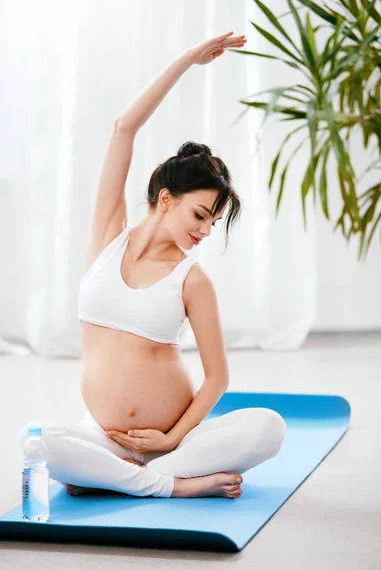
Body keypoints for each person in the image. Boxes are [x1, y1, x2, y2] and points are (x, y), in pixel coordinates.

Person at [19, 31, 287, 499]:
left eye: (213, 222)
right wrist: (187, 60)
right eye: (199, 215)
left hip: (176, 442)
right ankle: (169, 487)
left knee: (269, 427)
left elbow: (218, 377)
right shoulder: (108, 236)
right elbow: (124, 127)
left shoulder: (192, 279)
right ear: (166, 199)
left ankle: (122, 477)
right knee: (36, 441)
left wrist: (170, 438)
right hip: (105, 436)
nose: (205, 232)